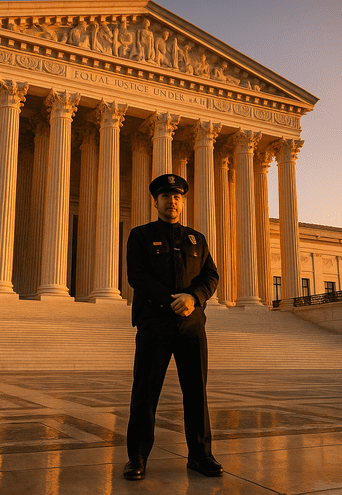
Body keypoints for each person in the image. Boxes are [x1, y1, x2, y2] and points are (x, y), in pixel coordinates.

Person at [123, 174, 222, 480]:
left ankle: (201, 455)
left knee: (196, 392)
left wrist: (193, 297)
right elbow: (137, 277)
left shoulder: (196, 239)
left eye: (177, 196)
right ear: (156, 202)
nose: (172, 201)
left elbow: (210, 277)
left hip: (191, 325)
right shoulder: (140, 235)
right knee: (145, 391)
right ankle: (137, 457)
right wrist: (171, 300)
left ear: (183, 201)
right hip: (155, 323)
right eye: (165, 197)